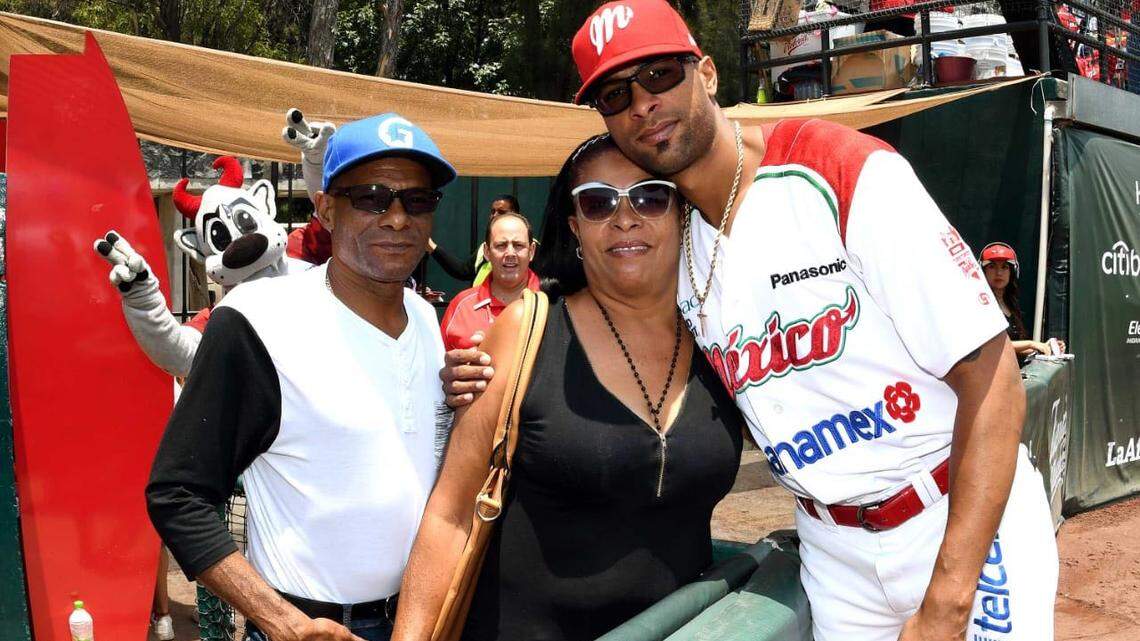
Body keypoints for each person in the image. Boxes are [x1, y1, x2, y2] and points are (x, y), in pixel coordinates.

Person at [444, 2, 1058, 640]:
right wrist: (485, 363)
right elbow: (584, 324)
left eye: (659, 74)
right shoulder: (668, 239)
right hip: (830, 547)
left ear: (706, 73)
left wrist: (949, 600)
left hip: (954, 515)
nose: (642, 104)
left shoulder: (839, 170)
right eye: (615, 94)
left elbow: (993, 381)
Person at [392, 135, 745, 641]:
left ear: (680, 214)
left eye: (649, 196)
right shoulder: (527, 329)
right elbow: (450, 516)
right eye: (599, 201)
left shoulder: (724, 341)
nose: (625, 218)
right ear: (576, 227)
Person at [146, 112, 457, 641]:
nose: (398, 218)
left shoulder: (427, 319)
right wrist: (281, 621)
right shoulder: (261, 318)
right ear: (326, 210)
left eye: (418, 200)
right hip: (309, 627)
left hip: (425, 619)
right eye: (372, 198)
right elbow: (178, 494)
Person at [439, 212, 540, 351]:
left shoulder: (553, 305)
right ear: (487, 252)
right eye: (501, 245)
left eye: (518, 245)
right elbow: (439, 367)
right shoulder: (461, 307)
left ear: (532, 251)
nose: (510, 253)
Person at [980, 242, 1063, 361]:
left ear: (1012, 272)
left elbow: (1014, 347)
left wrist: (1045, 347)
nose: (999, 273)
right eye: (992, 266)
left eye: (1004, 267)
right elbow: (992, 346)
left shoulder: (1010, 304)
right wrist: (1031, 344)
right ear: (983, 272)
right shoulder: (981, 305)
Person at [427, 195, 522, 284]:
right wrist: (431, 246)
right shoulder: (485, 247)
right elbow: (463, 271)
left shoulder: (527, 247)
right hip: (482, 300)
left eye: (501, 212)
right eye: (492, 212)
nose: (494, 216)